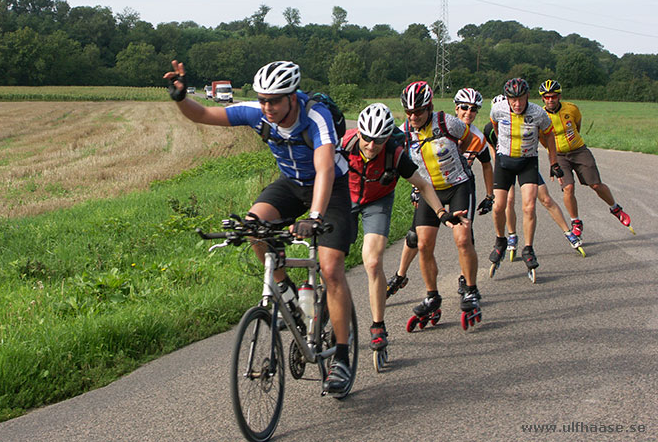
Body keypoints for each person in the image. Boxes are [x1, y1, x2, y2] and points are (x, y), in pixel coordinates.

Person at [163, 59, 354, 396]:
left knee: (331, 267)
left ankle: (340, 356)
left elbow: (324, 168)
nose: (267, 107)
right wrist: (180, 98)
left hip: (331, 189)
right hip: (291, 184)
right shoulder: (257, 112)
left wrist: (314, 216)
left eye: (274, 101)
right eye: (263, 100)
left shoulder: (315, 117)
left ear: (292, 97)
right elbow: (205, 115)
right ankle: (288, 295)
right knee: (252, 226)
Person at [343, 103, 462, 353]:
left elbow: (424, 185)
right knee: (329, 261)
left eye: (378, 140)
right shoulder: (344, 145)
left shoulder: (394, 154)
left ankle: (378, 326)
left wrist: (441, 213)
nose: (371, 146)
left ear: (387, 137)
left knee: (373, 262)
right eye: (366, 138)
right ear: (358, 133)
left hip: (377, 202)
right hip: (343, 199)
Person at [393, 88, 494, 301]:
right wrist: (415, 186)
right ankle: (432, 296)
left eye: (418, 111)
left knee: (463, 239)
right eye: (408, 111)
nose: (413, 117)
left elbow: (468, 141)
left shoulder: (448, 123)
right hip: (429, 191)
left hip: (458, 186)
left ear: (429, 108)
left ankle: (471, 289)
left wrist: (457, 161)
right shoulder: (404, 131)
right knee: (423, 243)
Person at [482, 105, 584, 259]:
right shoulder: (491, 127)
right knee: (507, 201)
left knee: (545, 199)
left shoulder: (530, 117)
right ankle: (511, 236)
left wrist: (553, 162)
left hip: (525, 163)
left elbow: (547, 135)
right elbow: (493, 150)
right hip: (505, 165)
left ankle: (568, 232)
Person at [488, 78, 563, 278]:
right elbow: (494, 127)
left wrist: (554, 163)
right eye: (513, 100)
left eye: (521, 99)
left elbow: (550, 136)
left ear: (527, 96)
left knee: (529, 206)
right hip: (504, 161)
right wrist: (501, 147)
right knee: (498, 206)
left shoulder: (538, 113)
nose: (517, 104)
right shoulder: (498, 109)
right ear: (507, 99)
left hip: (528, 161)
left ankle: (528, 248)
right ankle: (500, 240)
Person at [539, 79, 634, 236]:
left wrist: (572, 141)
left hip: (578, 150)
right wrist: (553, 161)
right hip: (559, 156)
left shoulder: (572, 109)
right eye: (547, 97)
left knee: (595, 184)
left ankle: (615, 208)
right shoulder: (541, 116)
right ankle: (576, 222)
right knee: (568, 188)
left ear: (559, 96)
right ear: (543, 98)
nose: (550, 100)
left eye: (553, 96)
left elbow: (577, 125)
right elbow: (543, 140)